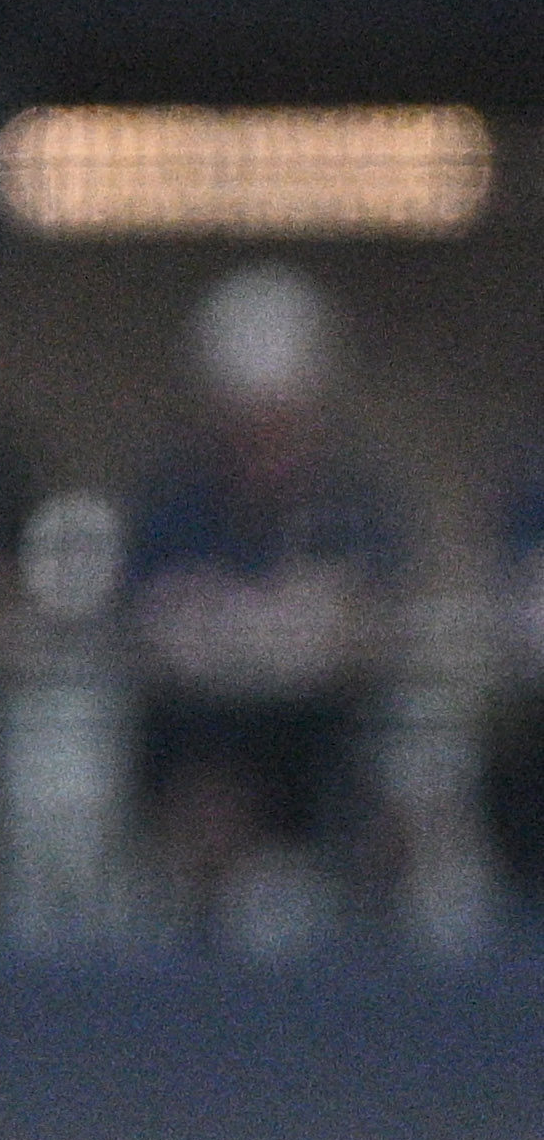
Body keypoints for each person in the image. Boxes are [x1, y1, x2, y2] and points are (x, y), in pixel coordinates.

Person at [122, 267, 406, 945]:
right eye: (248, 428)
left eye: (283, 425)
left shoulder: (355, 505)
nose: (267, 451)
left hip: (327, 755)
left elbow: (385, 610)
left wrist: (332, 618)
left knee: (397, 819)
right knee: (203, 814)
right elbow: (139, 616)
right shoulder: (170, 510)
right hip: (204, 753)